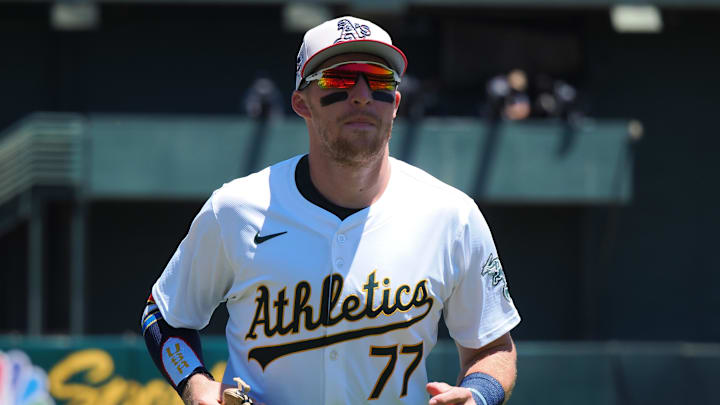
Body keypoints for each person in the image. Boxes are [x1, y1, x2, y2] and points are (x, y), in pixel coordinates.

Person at [141, 16, 521, 405]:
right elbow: (163, 315)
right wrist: (195, 383)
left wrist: (479, 394)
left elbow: (493, 348)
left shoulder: (452, 215)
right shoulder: (236, 209)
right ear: (301, 103)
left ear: (395, 104)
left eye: (379, 80)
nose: (361, 94)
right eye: (338, 79)